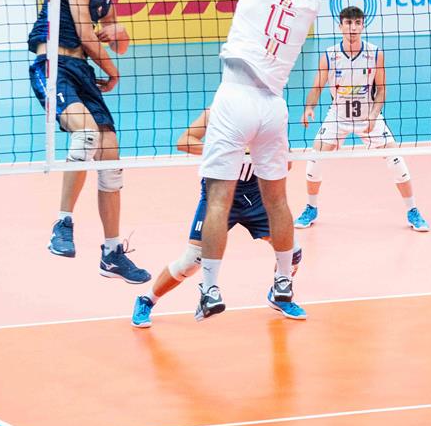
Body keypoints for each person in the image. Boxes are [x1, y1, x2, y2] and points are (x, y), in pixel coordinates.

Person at [193, 0, 326, 322]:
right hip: (273, 106)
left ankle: (210, 288)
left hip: (235, 97)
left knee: (219, 198)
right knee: (278, 201)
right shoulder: (307, 5)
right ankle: (283, 282)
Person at [27, 0, 150, 284]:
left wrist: (119, 32)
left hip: (81, 71)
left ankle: (112, 253)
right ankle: (62, 224)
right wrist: (113, 72)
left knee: (110, 154)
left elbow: (120, 45)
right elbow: (85, 34)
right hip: (53, 66)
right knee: (85, 134)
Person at [130, 109, 303, 327]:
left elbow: (287, 162)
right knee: (191, 261)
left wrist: (265, 154)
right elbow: (184, 142)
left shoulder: (269, 113)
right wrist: (227, 151)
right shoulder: (217, 112)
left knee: (293, 252)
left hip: (255, 194)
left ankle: (279, 296)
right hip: (217, 191)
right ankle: (146, 300)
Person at [295, 5, 429, 232]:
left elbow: (382, 89)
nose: (353, 28)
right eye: (348, 23)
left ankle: (412, 210)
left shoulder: (375, 54)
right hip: (338, 116)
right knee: (314, 158)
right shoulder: (329, 55)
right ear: (340, 26)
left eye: (357, 23)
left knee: (395, 159)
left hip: (368, 116)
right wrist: (309, 108)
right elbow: (317, 87)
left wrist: (374, 115)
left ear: (363, 26)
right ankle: (311, 207)